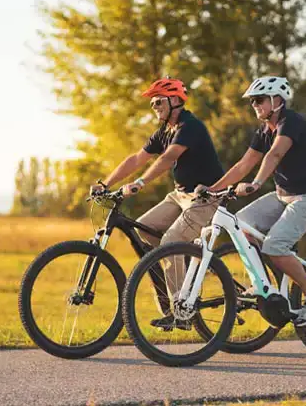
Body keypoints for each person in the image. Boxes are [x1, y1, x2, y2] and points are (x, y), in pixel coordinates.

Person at [198, 76, 306, 327]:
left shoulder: (291, 122)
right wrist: (212, 189)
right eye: (252, 102)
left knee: (274, 245)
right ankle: (263, 285)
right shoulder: (263, 131)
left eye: (259, 100)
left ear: (277, 100)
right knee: (241, 225)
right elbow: (243, 165)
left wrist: (257, 183)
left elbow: (275, 154)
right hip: (284, 196)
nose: (255, 105)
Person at [93, 77, 225, 330]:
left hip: (205, 198)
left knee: (170, 242)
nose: (154, 107)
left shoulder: (190, 126)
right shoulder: (163, 131)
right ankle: (180, 279)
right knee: (143, 229)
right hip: (179, 195)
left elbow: (168, 158)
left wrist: (140, 184)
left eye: (158, 102)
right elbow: (136, 158)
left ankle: (182, 309)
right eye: (152, 104)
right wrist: (105, 184)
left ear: (175, 100)